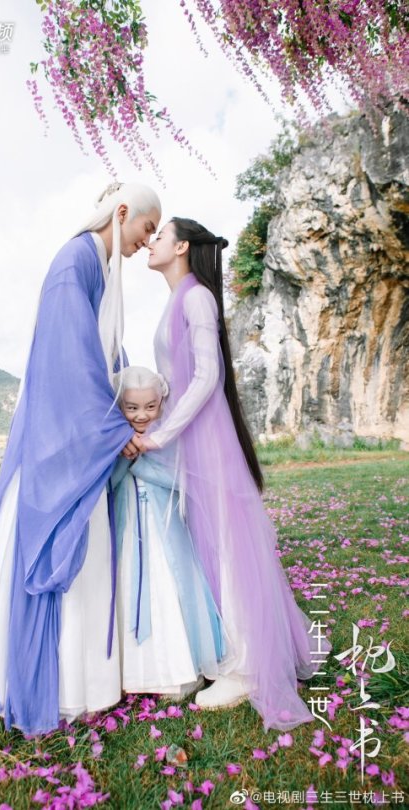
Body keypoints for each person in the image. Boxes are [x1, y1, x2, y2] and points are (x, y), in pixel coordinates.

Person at [0, 182, 161, 735]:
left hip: (77, 443)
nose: (148, 239)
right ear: (122, 212)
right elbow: (71, 360)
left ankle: (84, 683)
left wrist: (131, 406)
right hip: (60, 446)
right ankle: (47, 683)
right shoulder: (74, 261)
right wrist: (113, 429)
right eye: (147, 227)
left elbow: (104, 355)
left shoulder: (98, 268)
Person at [135, 217, 331, 732]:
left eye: (160, 236)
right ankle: (227, 646)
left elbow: (208, 376)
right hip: (189, 440)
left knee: (225, 545)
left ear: (182, 246)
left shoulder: (197, 297)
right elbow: (178, 380)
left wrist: (160, 435)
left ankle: (246, 668)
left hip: (205, 441)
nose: (150, 242)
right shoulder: (177, 299)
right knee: (208, 545)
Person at [110, 366, 225, 699]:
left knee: (170, 587)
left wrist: (141, 460)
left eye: (150, 406)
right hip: (129, 526)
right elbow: (108, 483)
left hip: (165, 529)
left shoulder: (168, 436)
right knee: (128, 585)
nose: (142, 415)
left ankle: (177, 670)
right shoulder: (115, 439)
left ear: (161, 404)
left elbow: (183, 478)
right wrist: (123, 456)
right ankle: (132, 672)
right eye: (132, 407)